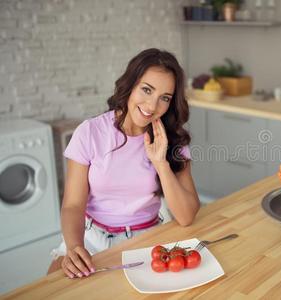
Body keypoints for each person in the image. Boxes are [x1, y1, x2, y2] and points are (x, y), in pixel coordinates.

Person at [47, 48, 200, 279]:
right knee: (51, 284)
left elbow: (187, 216)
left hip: (148, 238)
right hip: (91, 237)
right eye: (146, 90)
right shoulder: (90, 132)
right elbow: (72, 206)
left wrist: (160, 163)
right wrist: (74, 247)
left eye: (164, 98)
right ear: (131, 85)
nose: (151, 105)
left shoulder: (172, 140)